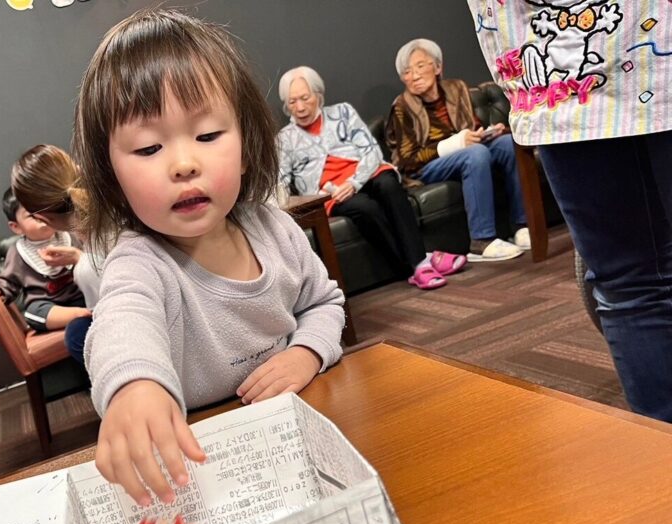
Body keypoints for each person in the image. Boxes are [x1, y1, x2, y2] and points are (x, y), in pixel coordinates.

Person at [73, 9, 346, 506]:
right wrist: (134, 386)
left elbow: (324, 303)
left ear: (245, 146)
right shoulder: (139, 262)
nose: (184, 164)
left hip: (296, 436)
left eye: (207, 136)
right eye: (149, 148)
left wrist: (306, 353)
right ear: (112, 176)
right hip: (197, 465)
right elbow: (122, 324)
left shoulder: (275, 230)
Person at [467, 0, 671, 423]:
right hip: (629, 55)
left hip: (560, 83)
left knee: (630, 289)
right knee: (630, 287)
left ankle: (660, 456)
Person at [278, 66, 467, 289]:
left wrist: (354, 182)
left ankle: (419, 264)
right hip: (332, 192)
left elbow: (371, 151)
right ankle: (420, 263)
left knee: (388, 184)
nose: (300, 107)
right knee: (365, 207)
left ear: (318, 95)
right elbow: (281, 180)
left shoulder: (343, 113)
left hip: (365, 174)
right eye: (292, 102)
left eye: (305, 98)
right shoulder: (284, 139)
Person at [387, 38, 529, 262]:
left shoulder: (457, 88)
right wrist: (454, 144)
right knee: (475, 154)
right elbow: (408, 160)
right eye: (407, 72)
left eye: (420, 66)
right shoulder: (402, 107)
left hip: (465, 152)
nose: (414, 76)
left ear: (438, 67)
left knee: (506, 144)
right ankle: (481, 241)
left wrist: (487, 133)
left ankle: (522, 226)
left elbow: (470, 127)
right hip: (425, 168)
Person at [10, 144, 101, 363]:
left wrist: (81, 262)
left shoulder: (89, 269)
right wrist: (77, 257)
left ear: (42, 217)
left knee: (76, 335)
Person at [0, 187, 91, 333]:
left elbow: (92, 260)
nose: (42, 216)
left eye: (44, 209)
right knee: (33, 313)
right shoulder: (18, 252)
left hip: (79, 294)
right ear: (16, 227)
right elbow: (9, 281)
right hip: (47, 304)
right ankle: (79, 314)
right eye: (32, 215)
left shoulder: (70, 235)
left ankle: (86, 310)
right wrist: (0, 291)